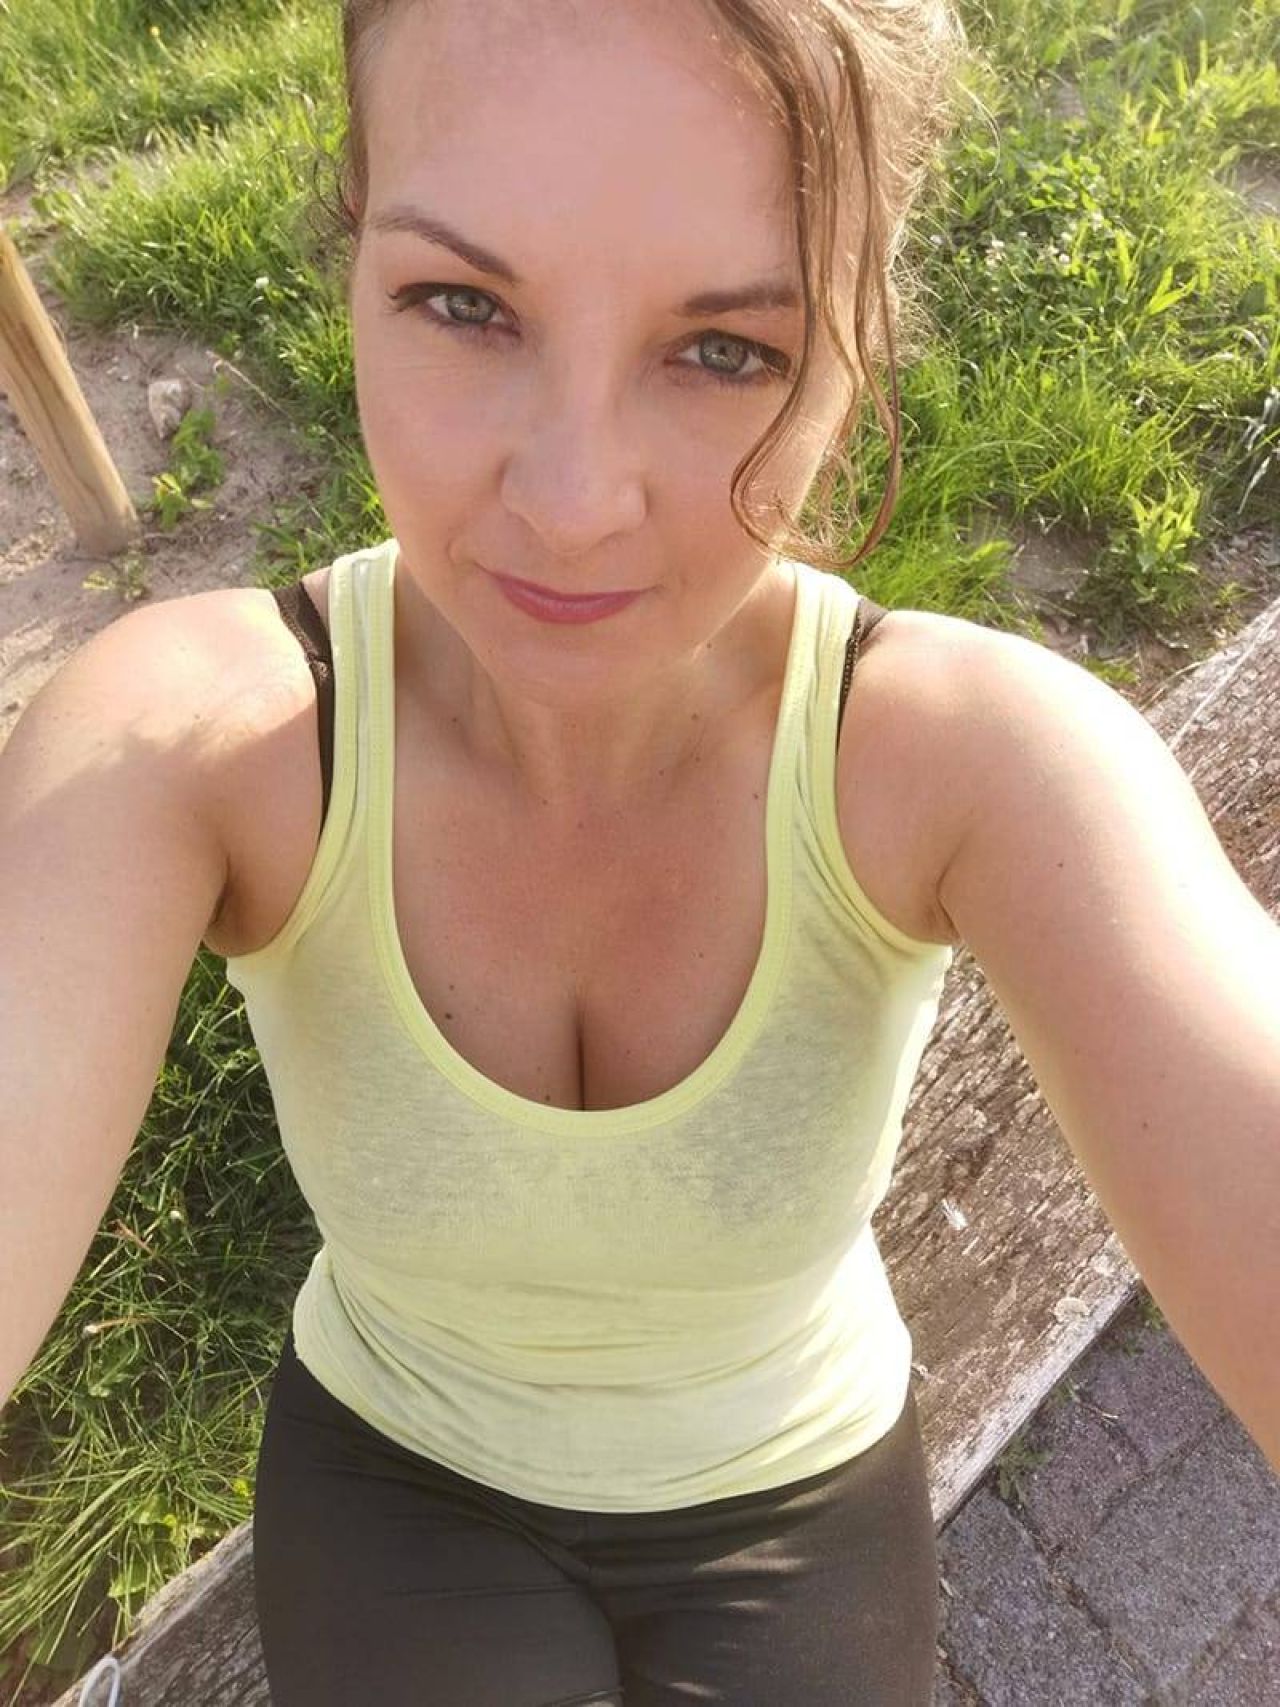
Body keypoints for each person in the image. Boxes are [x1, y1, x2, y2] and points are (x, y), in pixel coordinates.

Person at [226, 3, 973, 1701]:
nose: (572, 504)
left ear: (860, 331)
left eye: (724, 349)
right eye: (464, 305)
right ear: (354, 227)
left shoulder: (951, 754)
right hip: (396, 1455)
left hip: (797, 1465)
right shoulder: (219, 738)